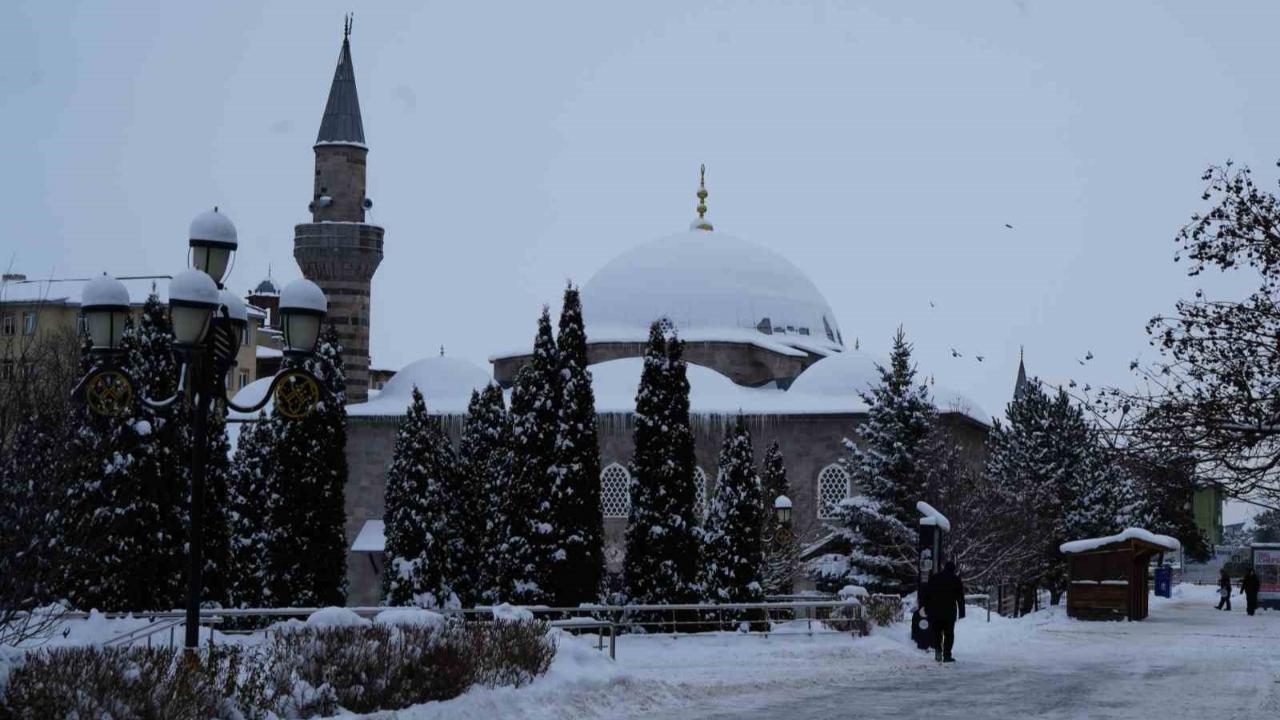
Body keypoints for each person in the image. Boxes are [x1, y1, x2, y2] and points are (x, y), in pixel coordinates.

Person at [922, 561, 966, 662]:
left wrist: (925, 607)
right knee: (949, 634)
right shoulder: (956, 580)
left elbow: (927, 593)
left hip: (935, 611)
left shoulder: (935, 578)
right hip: (949, 612)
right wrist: (962, 612)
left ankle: (938, 651)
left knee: (937, 632)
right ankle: (947, 655)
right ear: (953, 569)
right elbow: (960, 598)